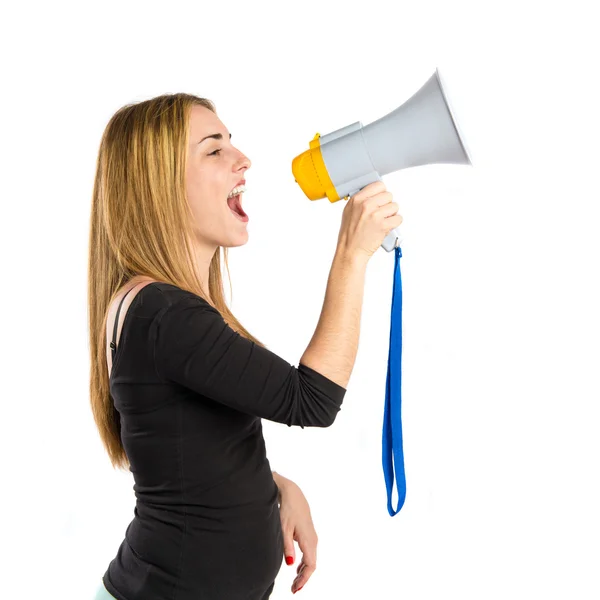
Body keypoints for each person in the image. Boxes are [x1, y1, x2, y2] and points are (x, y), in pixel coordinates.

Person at [89, 94, 403, 600]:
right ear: (159, 185)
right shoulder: (166, 315)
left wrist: (276, 485)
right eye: (214, 150)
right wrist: (353, 252)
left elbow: (180, 454)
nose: (243, 160)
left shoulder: (156, 308)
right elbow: (313, 400)